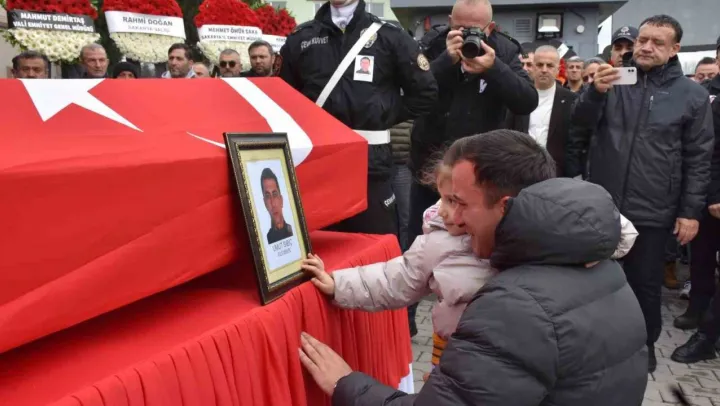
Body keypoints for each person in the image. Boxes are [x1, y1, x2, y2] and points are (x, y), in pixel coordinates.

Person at [298, 130, 648, 406]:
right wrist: (340, 284)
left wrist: (347, 385)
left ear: (506, 207)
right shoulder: (594, 261)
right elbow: (399, 276)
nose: (451, 215)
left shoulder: (515, 307)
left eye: (460, 202)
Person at [571, 15, 714, 372]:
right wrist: (593, 92)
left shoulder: (692, 95)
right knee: (591, 279)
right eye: (643, 39)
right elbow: (580, 124)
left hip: (654, 207)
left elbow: (698, 158)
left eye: (657, 42)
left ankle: (643, 345)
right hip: (603, 202)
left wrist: (689, 212)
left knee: (645, 284)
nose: (646, 47)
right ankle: (593, 344)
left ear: (675, 49)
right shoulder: (613, 79)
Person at [279, 0, 437, 237]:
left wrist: (382, 113)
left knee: (375, 242)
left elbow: (425, 92)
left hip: (370, 163)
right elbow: (283, 98)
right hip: (318, 162)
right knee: (321, 243)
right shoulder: (301, 38)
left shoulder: (390, 36)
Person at [408, 0, 537, 254]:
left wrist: (494, 69)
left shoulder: (504, 50)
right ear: (449, 22)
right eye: (459, 28)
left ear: (490, 28)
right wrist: (445, 61)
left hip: (480, 172)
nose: (467, 35)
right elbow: (412, 90)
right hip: (430, 168)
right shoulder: (433, 44)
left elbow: (527, 101)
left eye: (475, 30)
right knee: (420, 242)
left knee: (477, 247)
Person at [673, 38, 720, 331]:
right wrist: (714, 195)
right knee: (702, 257)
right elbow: (703, 151)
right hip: (710, 194)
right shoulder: (705, 95)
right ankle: (698, 309)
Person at [505, 45, 579, 176]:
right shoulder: (520, 96)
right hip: (520, 170)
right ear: (533, 67)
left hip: (556, 173)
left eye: (549, 65)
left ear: (558, 69)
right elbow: (508, 133)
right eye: (539, 65)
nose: (544, 70)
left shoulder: (571, 100)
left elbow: (574, 141)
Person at [261, 168, 293, 244]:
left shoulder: (293, 231)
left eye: (275, 194)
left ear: (281, 200)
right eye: (268, 196)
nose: (273, 203)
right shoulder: (266, 240)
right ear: (265, 203)